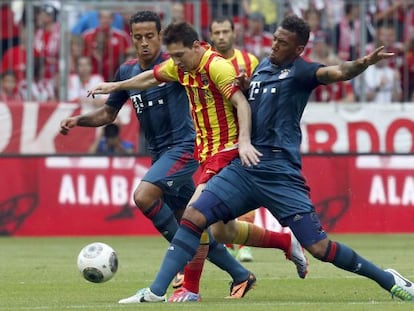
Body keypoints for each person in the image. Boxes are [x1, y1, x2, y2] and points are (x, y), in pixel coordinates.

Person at [94, 14, 414, 303]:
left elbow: (338, 71)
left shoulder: (303, 73)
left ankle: (387, 279)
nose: (274, 46)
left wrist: (363, 63)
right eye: (274, 39)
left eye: (282, 43)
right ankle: (158, 292)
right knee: (195, 217)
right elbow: (241, 100)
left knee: (320, 249)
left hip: (280, 172)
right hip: (245, 169)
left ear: (299, 48)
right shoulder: (260, 67)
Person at [87, 20, 308, 303]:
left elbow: (242, 103)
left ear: (195, 46)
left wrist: (243, 142)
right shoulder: (181, 66)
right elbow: (150, 77)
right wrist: (115, 85)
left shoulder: (217, 66)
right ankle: (285, 242)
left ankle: (175, 289)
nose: (175, 62)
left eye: (179, 55)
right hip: (207, 155)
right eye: (173, 57)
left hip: (225, 152)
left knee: (193, 215)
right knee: (220, 229)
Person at [209, 16, 259, 262]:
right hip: (217, 139)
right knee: (220, 191)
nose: (221, 36)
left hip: (245, 135)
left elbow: (258, 97)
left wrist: (247, 87)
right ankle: (229, 242)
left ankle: (243, 246)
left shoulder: (250, 61)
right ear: (211, 35)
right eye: (216, 32)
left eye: (225, 31)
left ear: (234, 33)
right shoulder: (205, 62)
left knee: (246, 187)